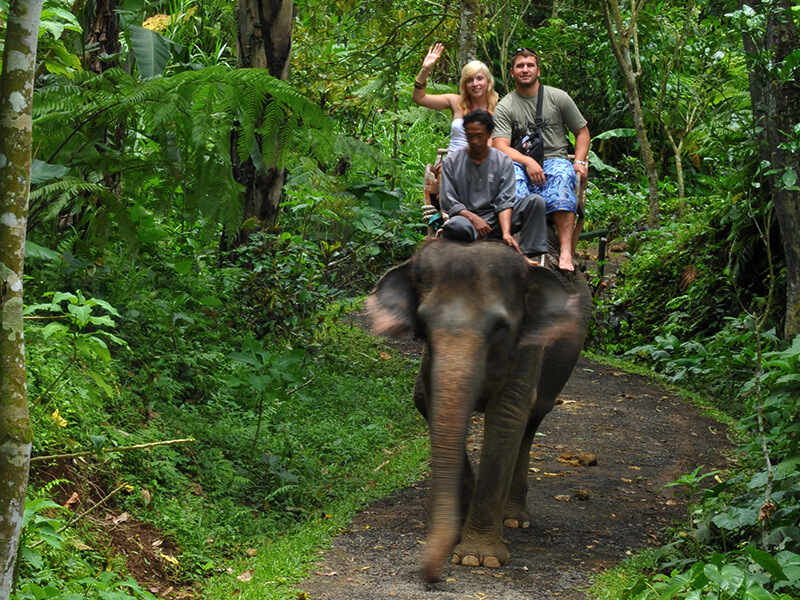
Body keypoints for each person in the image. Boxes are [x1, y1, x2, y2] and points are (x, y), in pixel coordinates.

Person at [492, 48, 590, 272]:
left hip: (555, 158)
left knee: (563, 177)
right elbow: (500, 146)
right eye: (520, 66)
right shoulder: (506, 105)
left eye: (529, 65)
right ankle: (520, 248)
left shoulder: (558, 97)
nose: (525, 70)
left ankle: (565, 252)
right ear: (511, 72)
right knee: (512, 182)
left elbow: (582, 132)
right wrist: (527, 162)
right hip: (520, 161)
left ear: (538, 70)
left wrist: (580, 161)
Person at [438, 110, 547, 267]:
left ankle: (526, 255)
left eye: (479, 136)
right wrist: (473, 218)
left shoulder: (503, 161)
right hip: (466, 220)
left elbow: (505, 201)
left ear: (489, 134)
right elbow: (448, 200)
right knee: (455, 226)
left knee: (535, 202)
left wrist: (506, 233)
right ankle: (468, 250)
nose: (474, 141)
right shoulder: (452, 162)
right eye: (470, 136)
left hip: (494, 219)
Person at [411, 43, 499, 153]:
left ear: (488, 82)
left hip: (480, 164)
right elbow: (418, 98)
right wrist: (425, 69)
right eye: (470, 80)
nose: (475, 84)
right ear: (464, 84)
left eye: (480, 78)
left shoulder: (498, 109)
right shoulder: (456, 101)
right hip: (452, 164)